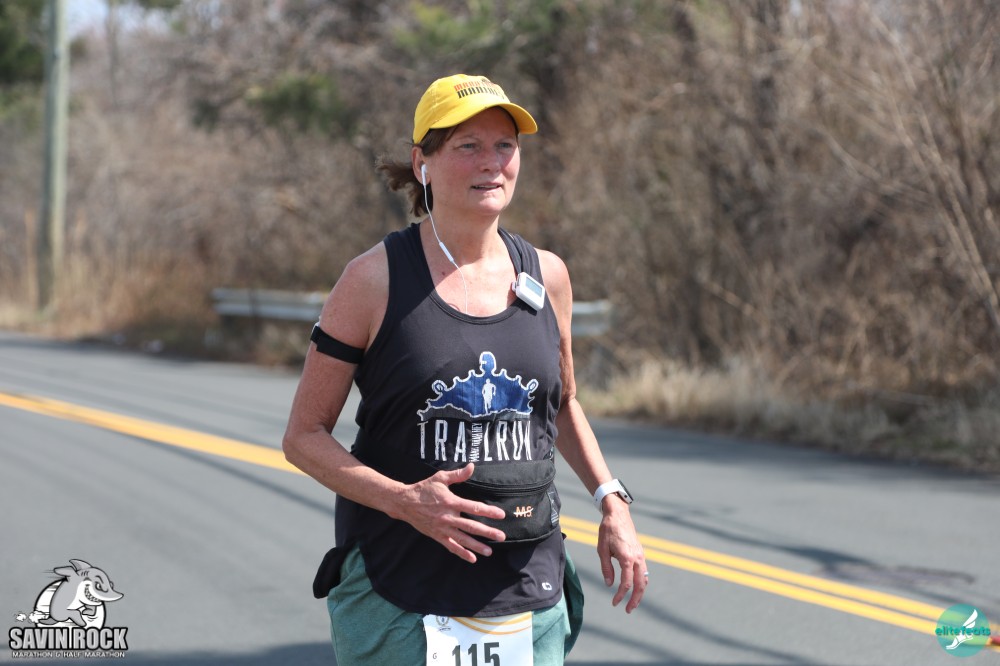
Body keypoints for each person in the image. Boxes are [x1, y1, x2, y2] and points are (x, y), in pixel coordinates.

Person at [282, 73, 648, 665]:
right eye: (468, 146)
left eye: (505, 145)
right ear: (421, 162)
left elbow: (561, 404)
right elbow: (303, 437)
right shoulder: (373, 279)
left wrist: (612, 501)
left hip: (527, 585)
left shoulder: (547, 275)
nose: (491, 163)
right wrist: (404, 500)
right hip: (400, 590)